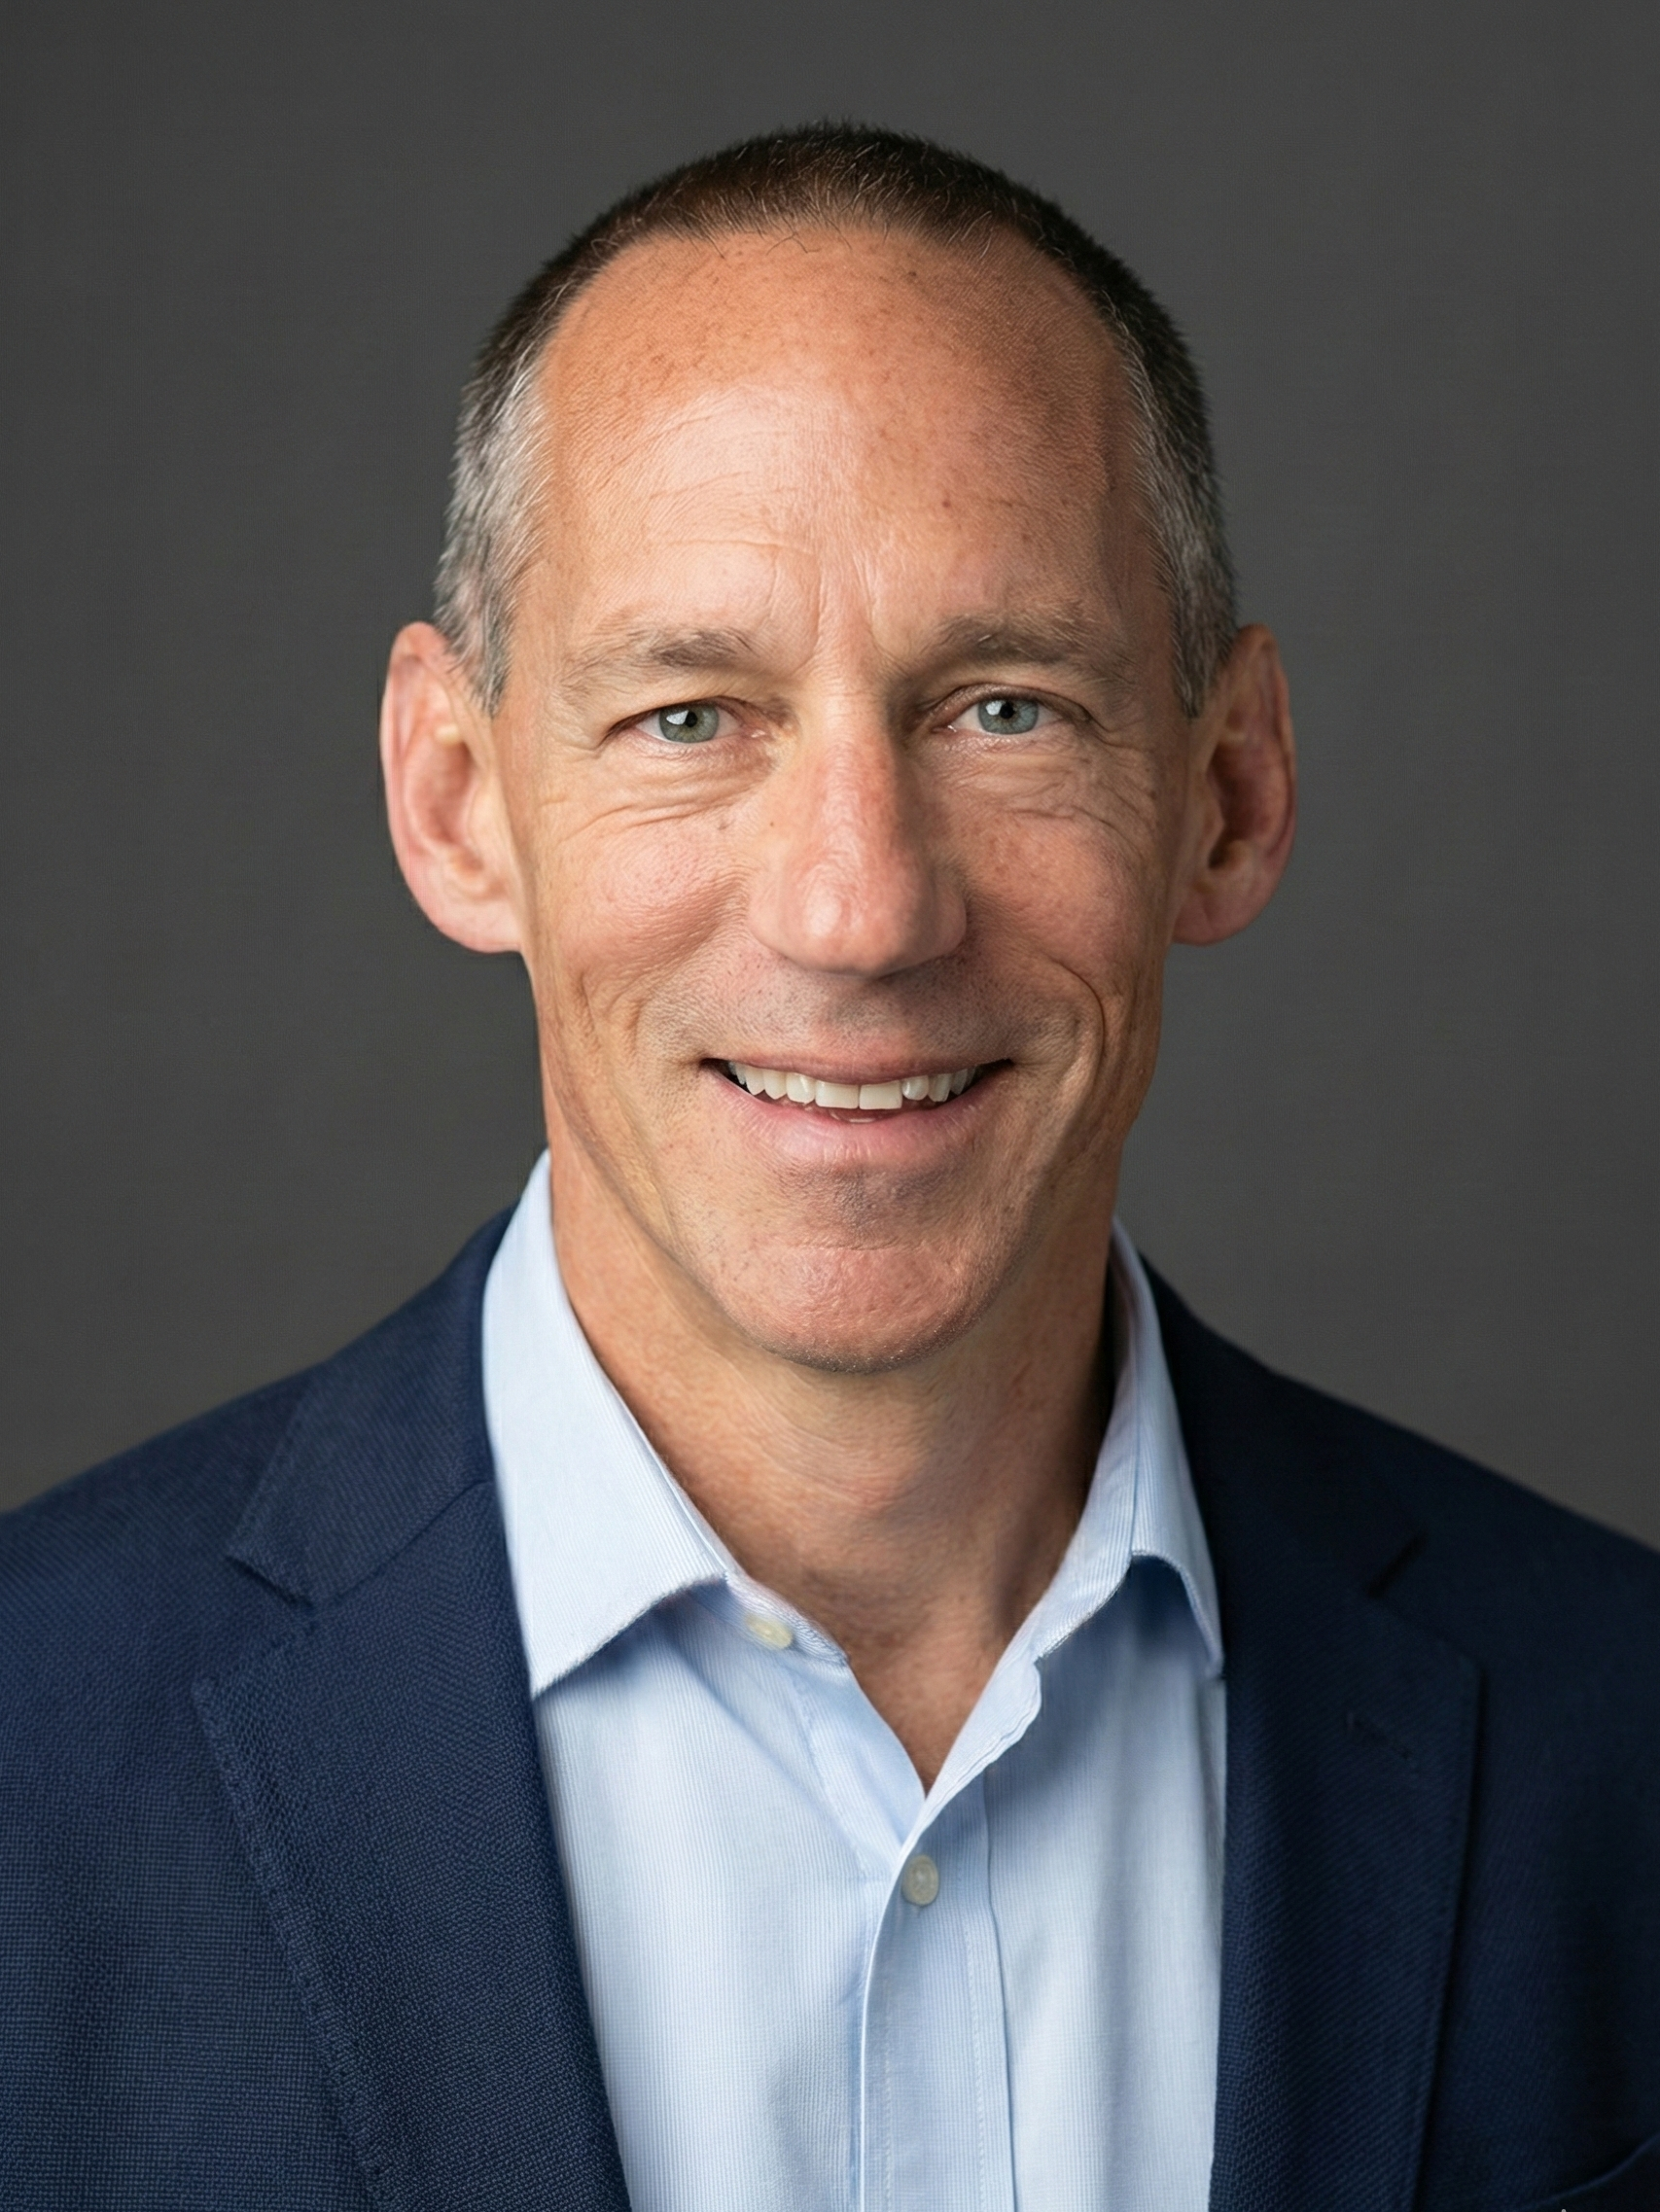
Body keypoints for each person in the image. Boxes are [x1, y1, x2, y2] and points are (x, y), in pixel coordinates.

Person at [3, 124, 1657, 2212]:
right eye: (692, 716)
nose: (856, 909)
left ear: (1227, 798)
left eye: (1003, 707)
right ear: (455, 804)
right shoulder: (24, 1769)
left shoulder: (1623, 1745)